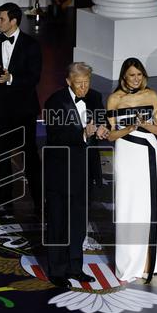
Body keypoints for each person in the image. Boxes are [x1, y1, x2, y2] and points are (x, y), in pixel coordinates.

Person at [43, 63, 108, 288]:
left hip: (84, 170)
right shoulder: (55, 102)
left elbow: (102, 122)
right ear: (69, 81)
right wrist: (82, 133)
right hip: (60, 171)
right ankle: (57, 270)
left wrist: (101, 130)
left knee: (78, 222)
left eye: (87, 83)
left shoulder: (95, 97)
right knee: (58, 222)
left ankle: (75, 267)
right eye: (79, 84)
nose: (83, 88)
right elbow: (55, 136)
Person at [106, 58, 157, 283]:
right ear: (124, 76)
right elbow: (111, 135)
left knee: (147, 204)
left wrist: (142, 124)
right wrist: (130, 127)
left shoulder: (151, 96)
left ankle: (149, 262)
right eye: (132, 75)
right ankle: (128, 264)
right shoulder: (114, 99)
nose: (136, 79)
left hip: (147, 151)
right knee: (127, 204)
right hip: (125, 151)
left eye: (139, 75)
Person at [0, 2, 42, 211]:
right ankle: (5, 198)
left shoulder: (31, 45)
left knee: (30, 156)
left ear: (14, 21)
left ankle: (39, 198)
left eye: (1, 19)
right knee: (1, 155)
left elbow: (34, 77)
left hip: (23, 110)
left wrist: (11, 78)